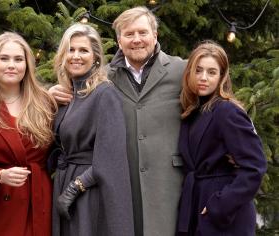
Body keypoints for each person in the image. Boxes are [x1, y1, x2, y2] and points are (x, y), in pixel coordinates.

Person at [49, 7, 186, 236]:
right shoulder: (103, 77)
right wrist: (51, 93)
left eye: (142, 32)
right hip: (119, 184)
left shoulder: (180, 70)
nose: (137, 40)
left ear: (155, 35)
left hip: (166, 186)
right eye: (129, 34)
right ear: (119, 40)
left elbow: (215, 100)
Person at [50, 23, 134, 236]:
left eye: (83, 50)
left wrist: (74, 188)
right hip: (64, 181)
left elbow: (111, 155)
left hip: (89, 191)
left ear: (96, 57)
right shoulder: (67, 95)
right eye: (71, 49)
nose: (76, 56)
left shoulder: (104, 94)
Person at [176, 41, 266, 236]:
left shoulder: (227, 111)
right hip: (197, 203)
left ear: (221, 77)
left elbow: (255, 166)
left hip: (224, 214)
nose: (203, 78)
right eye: (198, 70)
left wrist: (220, 204)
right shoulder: (192, 112)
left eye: (211, 72)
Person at [0, 32, 57, 236]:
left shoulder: (45, 102)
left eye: (18, 59)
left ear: (27, 65)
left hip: (40, 202)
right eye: (4, 58)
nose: (12, 65)